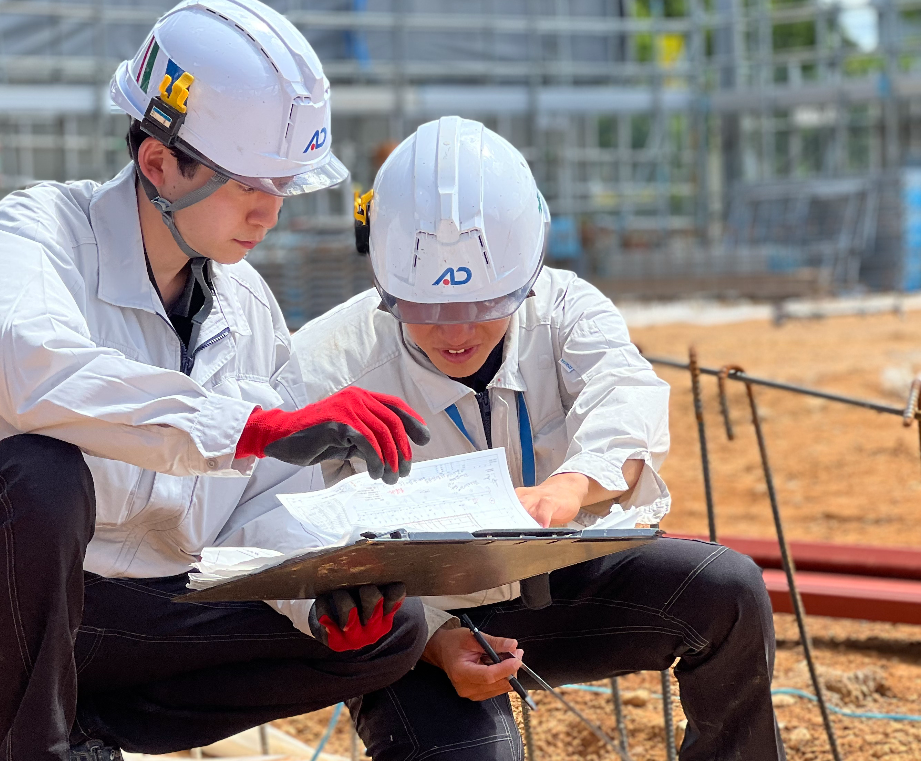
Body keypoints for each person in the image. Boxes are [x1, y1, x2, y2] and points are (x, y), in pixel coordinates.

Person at [0, 0, 431, 761]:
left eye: (282, 187)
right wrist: (251, 429)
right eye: (251, 185)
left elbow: (258, 508)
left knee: (396, 632)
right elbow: (25, 367)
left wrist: (317, 594)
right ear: (159, 162)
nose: (269, 212)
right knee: (36, 472)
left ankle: (80, 737)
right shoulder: (35, 236)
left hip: (107, 624)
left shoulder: (246, 306)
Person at [294, 116, 781, 761]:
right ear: (384, 284)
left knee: (727, 592)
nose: (455, 332)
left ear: (526, 277)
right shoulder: (327, 362)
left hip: (553, 580)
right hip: (412, 624)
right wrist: (432, 636)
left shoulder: (564, 310)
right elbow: (286, 539)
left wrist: (570, 487)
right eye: (425, 310)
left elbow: (625, 394)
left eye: (484, 306)